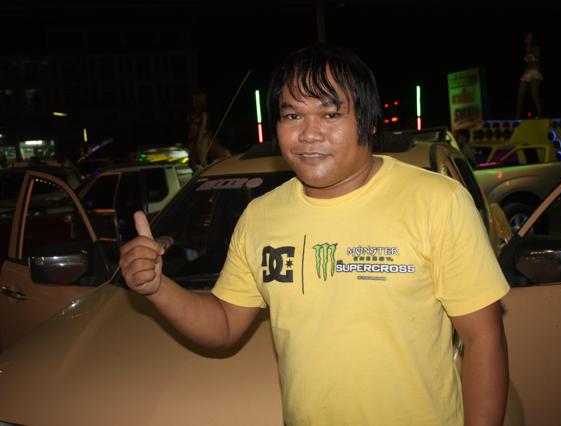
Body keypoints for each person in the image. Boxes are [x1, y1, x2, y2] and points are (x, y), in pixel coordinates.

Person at [120, 44, 510, 425]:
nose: (309, 133)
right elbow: (223, 324)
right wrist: (158, 287)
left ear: (368, 122)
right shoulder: (260, 217)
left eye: (329, 114)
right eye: (292, 115)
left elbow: (483, 339)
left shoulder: (437, 202)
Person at [516, 31, 543, 118]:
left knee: (534, 93)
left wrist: (528, 45)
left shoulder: (536, 48)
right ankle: (517, 116)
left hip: (535, 72)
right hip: (527, 72)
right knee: (520, 94)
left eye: (530, 38)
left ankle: (540, 115)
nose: (528, 39)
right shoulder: (525, 49)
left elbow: (535, 56)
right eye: (527, 37)